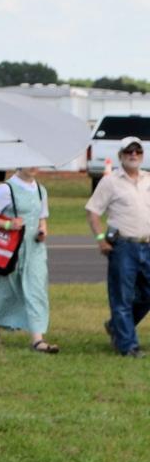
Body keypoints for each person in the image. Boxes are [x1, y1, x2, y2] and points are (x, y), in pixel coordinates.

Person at [0, 166, 55, 352]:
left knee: (36, 290)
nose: (34, 167)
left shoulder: (41, 190)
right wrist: (8, 224)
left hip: (34, 249)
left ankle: (37, 339)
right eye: (29, 162)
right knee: (3, 288)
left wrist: (43, 230)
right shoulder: (6, 189)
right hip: (9, 249)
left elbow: (42, 218)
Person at [85, 135, 150, 357]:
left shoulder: (148, 179)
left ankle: (116, 326)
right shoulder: (110, 181)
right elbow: (93, 212)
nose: (133, 155)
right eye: (129, 152)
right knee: (121, 296)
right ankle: (128, 346)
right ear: (121, 156)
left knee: (147, 295)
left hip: (147, 245)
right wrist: (101, 238)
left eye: (137, 151)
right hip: (123, 246)